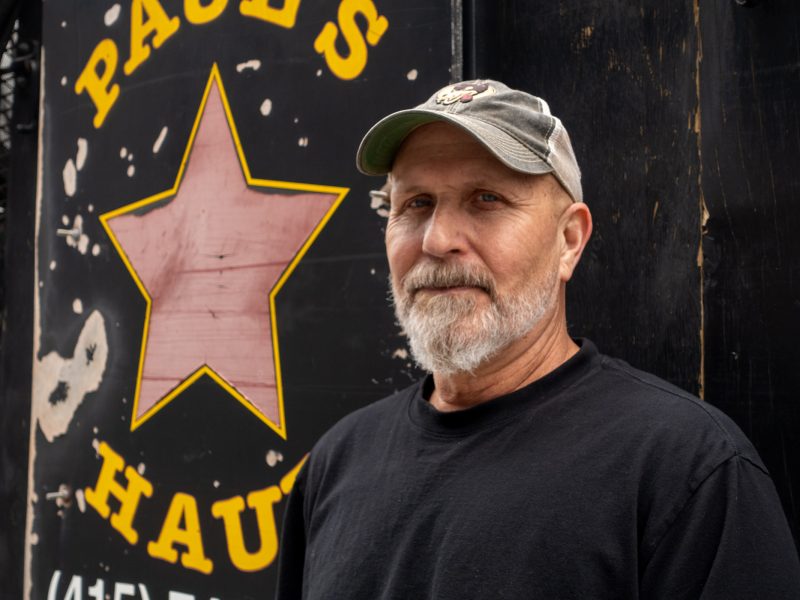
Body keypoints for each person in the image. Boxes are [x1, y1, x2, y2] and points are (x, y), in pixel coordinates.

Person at [275, 80, 800, 599]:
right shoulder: (338, 463)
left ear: (568, 240)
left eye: (486, 199)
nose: (437, 241)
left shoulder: (685, 470)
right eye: (415, 204)